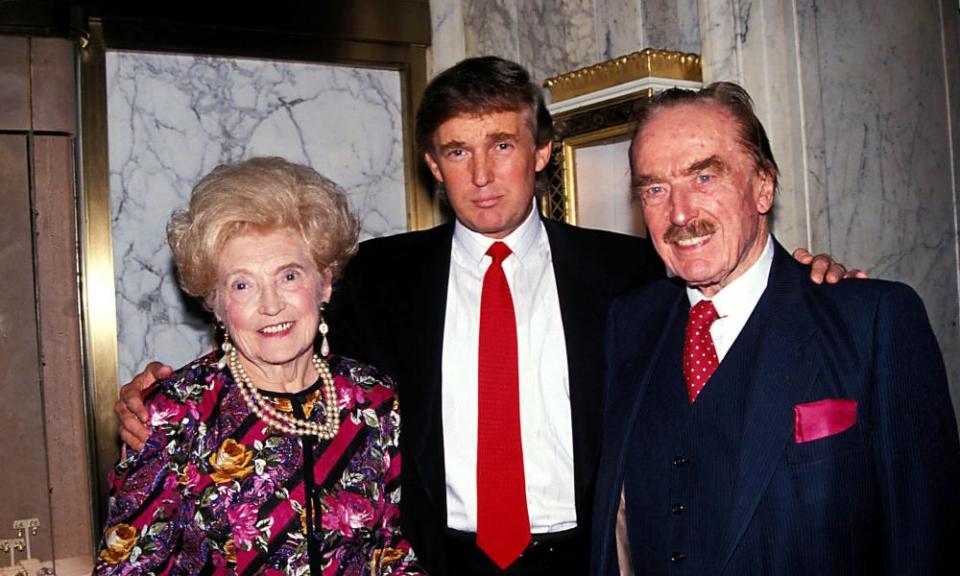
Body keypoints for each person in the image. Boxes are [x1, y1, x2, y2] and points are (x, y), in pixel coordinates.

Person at [113, 58, 852, 575]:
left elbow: (738, 294)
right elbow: (271, 353)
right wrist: (154, 398)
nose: (482, 174)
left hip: (585, 556)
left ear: (540, 151)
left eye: (502, 144)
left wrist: (817, 279)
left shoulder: (631, 271)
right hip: (441, 559)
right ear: (433, 166)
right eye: (457, 151)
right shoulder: (371, 277)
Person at [591, 82, 960, 575]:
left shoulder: (872, 321)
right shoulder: (630, 323)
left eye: (703, 178)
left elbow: (927, 539)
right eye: (655, 188)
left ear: (763, 186)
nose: (679, 214)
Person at [94, 158, 422, 575]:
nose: (270, 305)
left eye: (288, 276)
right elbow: (126, 568)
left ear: (323, 283)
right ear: (215, 302)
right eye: (242, 284)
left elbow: (391, 552)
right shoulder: (175, 414)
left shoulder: (373, 399)